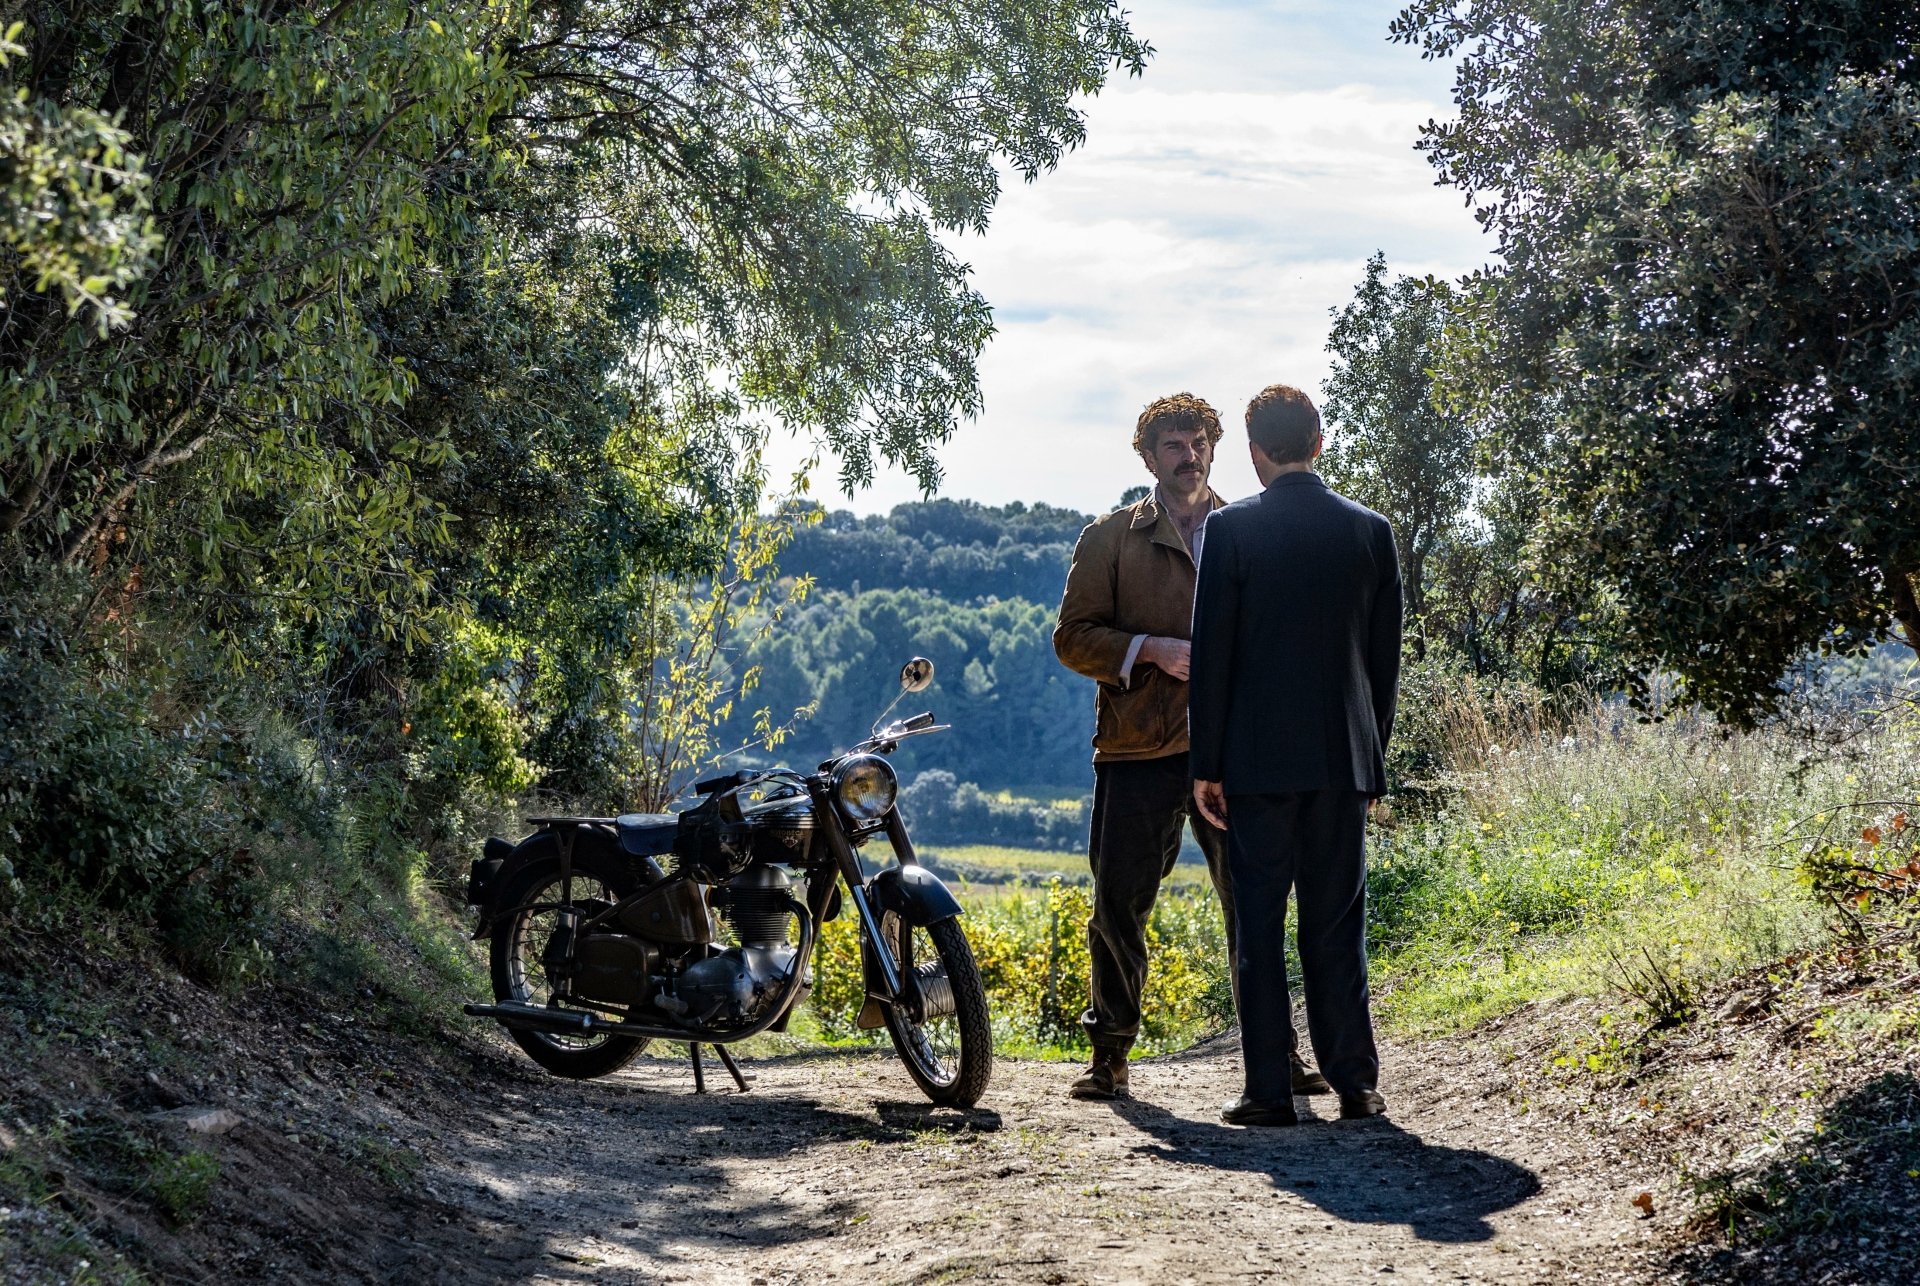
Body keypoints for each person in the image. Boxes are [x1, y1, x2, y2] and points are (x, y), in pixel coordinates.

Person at [1054, 392, 1327, 1101]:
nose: (1189, 455)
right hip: (1135, 749)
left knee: (1255, 904)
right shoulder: (1109, 538)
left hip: (1236, 752)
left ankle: (1279, 1057)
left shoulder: (1250, 530)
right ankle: (1109, 1056)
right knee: (1118, 907)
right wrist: (1151, 650)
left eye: (1199, 442)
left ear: (1216, 447)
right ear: (1147, 457)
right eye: (1173, 445)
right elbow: (1072, 638)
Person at [1189, 383, 1402, 1128]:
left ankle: (1268, 1093)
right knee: (1336, 926)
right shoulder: (1370, 532)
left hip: (1253, 765)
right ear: (1319, 442)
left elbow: (1213, 655)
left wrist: (1205, 765)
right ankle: (1357, 1085)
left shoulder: (1233, 531)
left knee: (1259, 924)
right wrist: (1370, 760)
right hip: (1344, 761)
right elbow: (1383, 664)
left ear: (1254, 453)